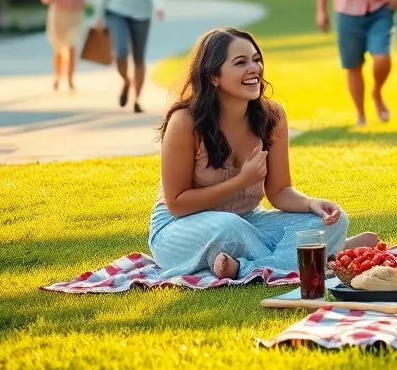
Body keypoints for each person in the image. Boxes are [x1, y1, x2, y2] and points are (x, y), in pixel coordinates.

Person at [150, 27, 376, 280]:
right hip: (179, 229)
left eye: (256, 60)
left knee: (335, 219)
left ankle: (253, 265)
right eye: (240, 62)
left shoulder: (272, 117)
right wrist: (240, 181)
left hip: (248, 222)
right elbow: (177, 203)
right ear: (213, 75)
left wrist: (310, 203)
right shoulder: (186, 121)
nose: (254, 69)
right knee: (228, 227)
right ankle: (322, 253)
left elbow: (280, 192)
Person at [39, 0, 90, 91]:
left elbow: (84, 1)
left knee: (72, 47)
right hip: (58, 17)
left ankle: (70, 79)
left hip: (74, 17)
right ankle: (57, 75)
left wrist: (75, 3)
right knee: (58, 50)